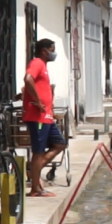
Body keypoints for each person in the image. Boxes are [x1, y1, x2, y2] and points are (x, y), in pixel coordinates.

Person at [23, 38, 66, 197]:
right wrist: (37, 101)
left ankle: (33, 169)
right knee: (38, 151)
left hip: (46, 116)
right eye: (52, 49)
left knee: (59, 143)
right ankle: (35, 188)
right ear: (44, 51)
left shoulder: (44, 67)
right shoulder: (37, 63)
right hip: (38, 116)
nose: (53, 53)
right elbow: (28, 80)